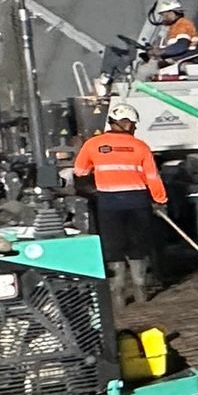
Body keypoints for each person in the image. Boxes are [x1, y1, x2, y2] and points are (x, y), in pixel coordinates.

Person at [73, 101, 167, 303]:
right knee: (138, 246)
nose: (134, 128)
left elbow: (79, 171)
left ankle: (118, 294)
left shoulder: (92, 144)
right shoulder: (140, 146)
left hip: (108, 203)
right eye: (134, 124)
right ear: (127, 123)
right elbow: (153, 177)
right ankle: (141, 290)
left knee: (113, 247)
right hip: (137, 202)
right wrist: (160, 201)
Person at [151, 0, 198, 77]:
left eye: (165, 15)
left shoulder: (182, 25)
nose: (163, 19)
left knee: (149, 70)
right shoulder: (174, 27)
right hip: (185, 57)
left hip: (191, 57)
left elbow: (181, 47)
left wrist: (162, 52)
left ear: (172, 13)